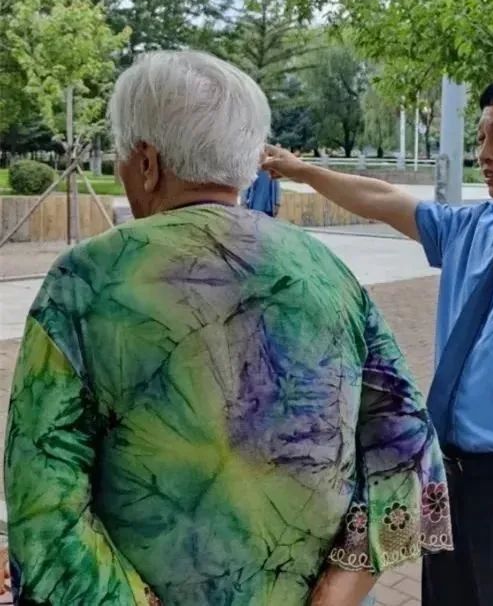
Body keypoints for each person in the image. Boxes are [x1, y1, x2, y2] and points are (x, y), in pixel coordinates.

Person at [3, 51, 450, 606]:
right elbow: (409, 451)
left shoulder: (87, 280)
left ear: (147, 162)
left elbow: (43, 506)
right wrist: (342, 586)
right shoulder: (327, 271)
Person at [263, 74, 493, 606]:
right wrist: (302, 171)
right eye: (481, 137)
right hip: (447, 478)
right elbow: (381, 199)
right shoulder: (475, 229)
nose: (483, 153)